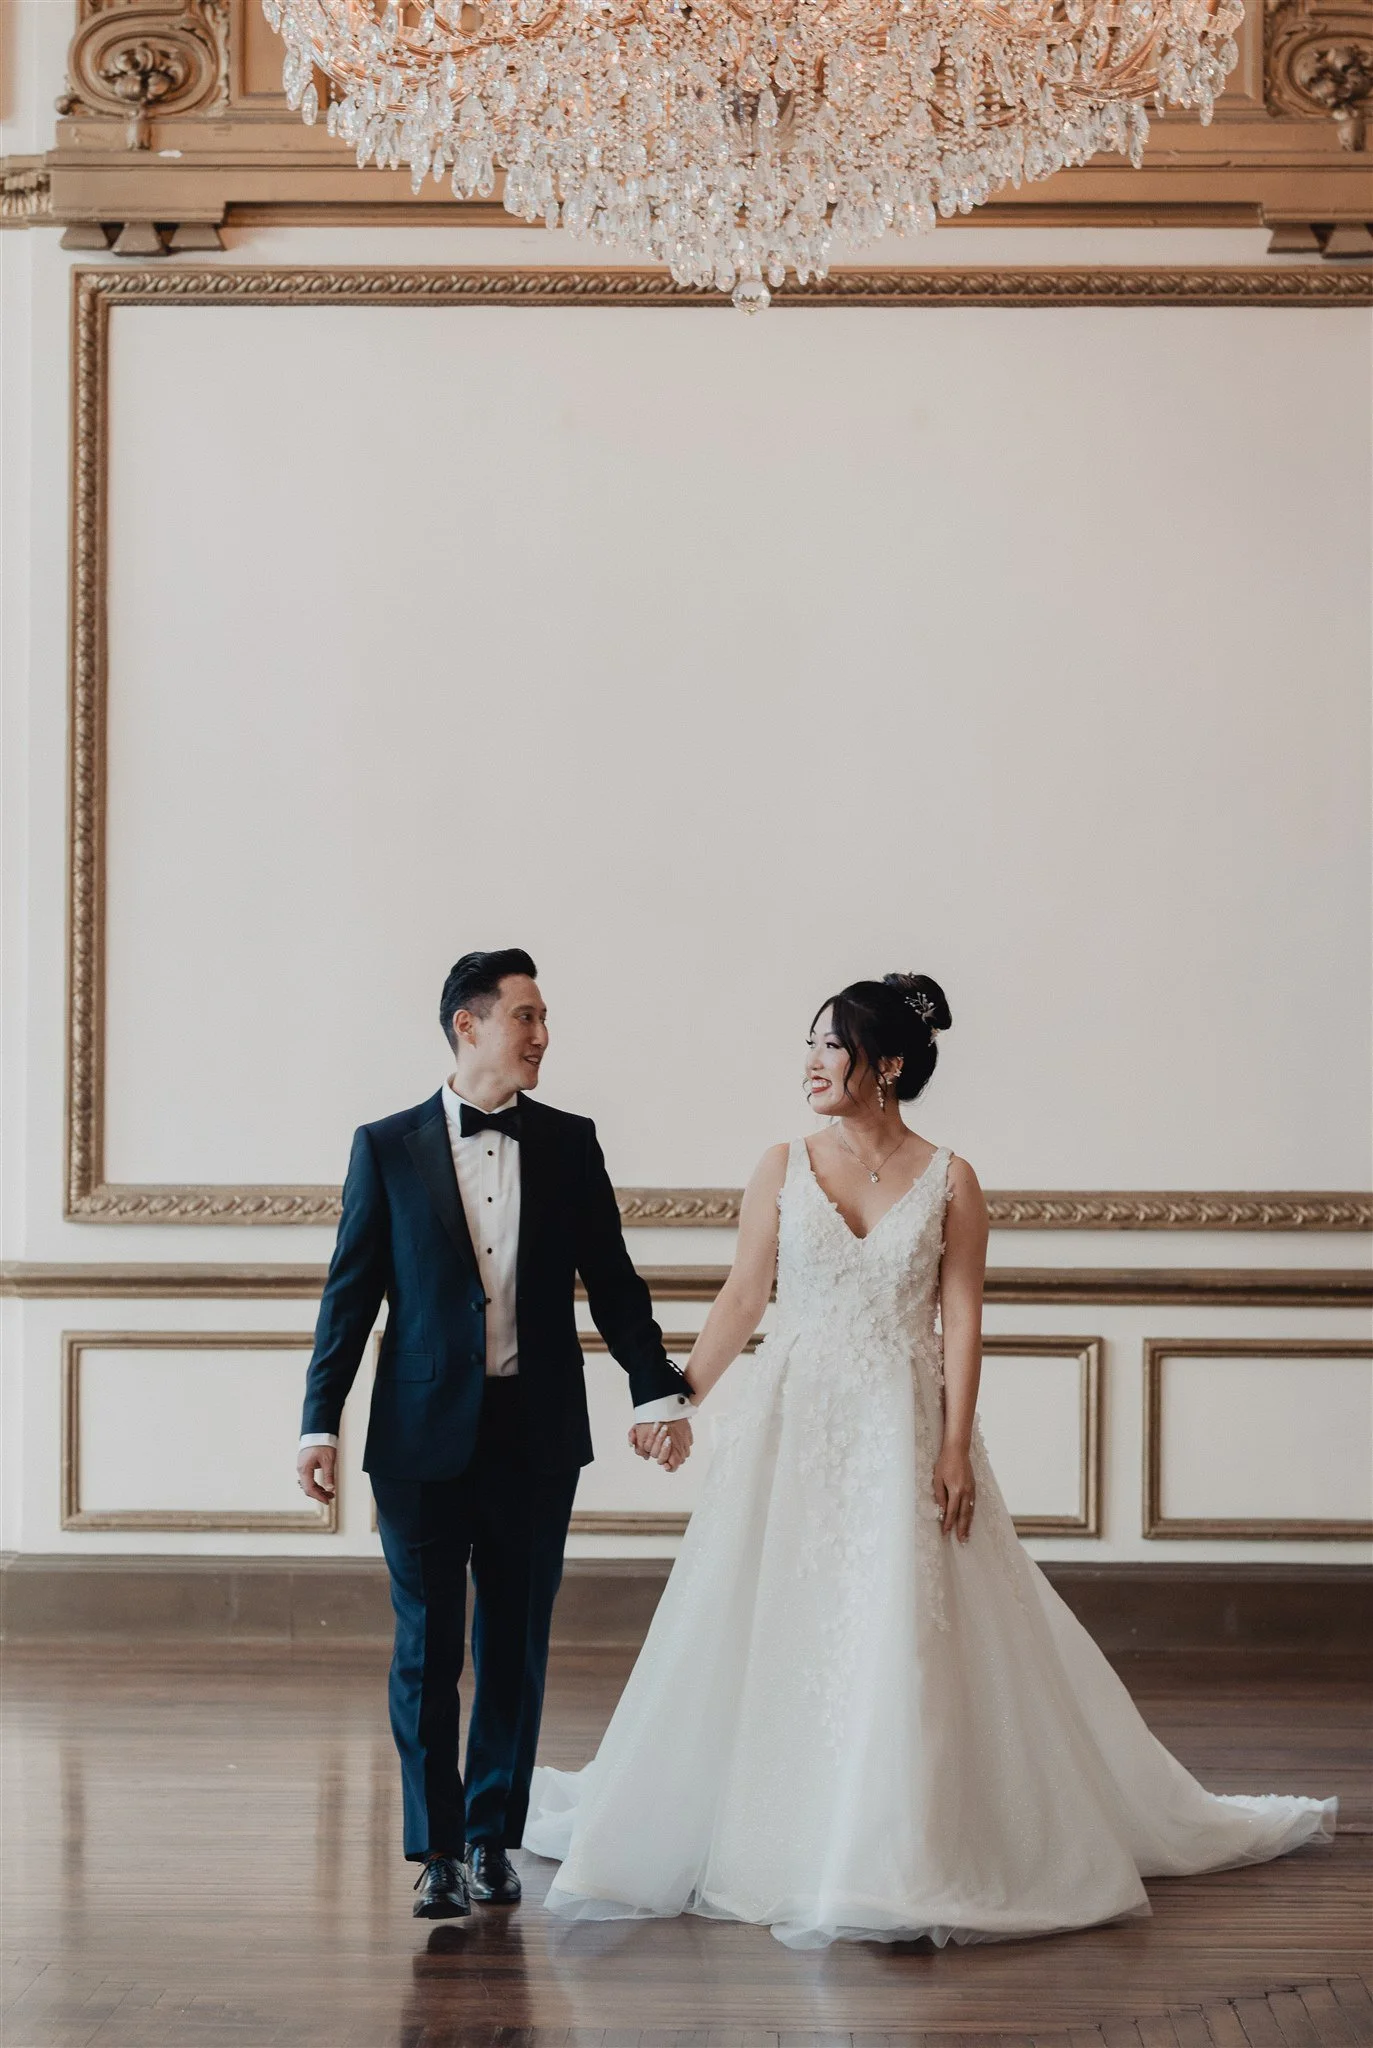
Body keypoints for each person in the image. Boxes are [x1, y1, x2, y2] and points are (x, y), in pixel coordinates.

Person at [523, 971, 1336, 1950]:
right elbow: (743, 1296)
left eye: (831, 1045)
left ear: (888, 1064)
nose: (811, 1063)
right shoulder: (780, 1163)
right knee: (780, 1609)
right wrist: (674, 1396)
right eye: (810, 1044)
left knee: (900, 1621)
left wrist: (952, 1445)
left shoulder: (951, 1176)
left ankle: (897, 1839)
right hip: (796, 1424)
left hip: (901, 1427)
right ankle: (777, 1816)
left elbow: (960, 1320)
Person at [296, 949, 693, 1921]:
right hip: (417, 1438)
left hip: (536, 1433)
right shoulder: (384, 1146)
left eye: (544, 1015)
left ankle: (489, 1837)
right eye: (526, 1014)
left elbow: (613, 1276)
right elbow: (347, 1297)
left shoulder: (568, 1141)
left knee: (513, 1640)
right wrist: (318, 1418)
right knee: (427, 1646)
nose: (542, 1033)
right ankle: (434, 1847)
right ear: (466, 1025)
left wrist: (655, 1389)